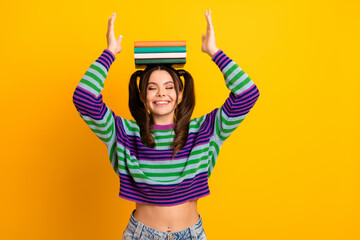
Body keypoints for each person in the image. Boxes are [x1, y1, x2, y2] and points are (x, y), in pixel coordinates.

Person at [73, 9, 260, 240]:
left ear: (180, 93)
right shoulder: (123, 134)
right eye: (152, 87)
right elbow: (83, 97)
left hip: (191, 234)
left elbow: (247, 94)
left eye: (169, 87)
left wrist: (214, 51)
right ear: (142, 96)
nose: (161, 93)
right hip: (141, 235)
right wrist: (109, 52)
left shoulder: (205, 130)